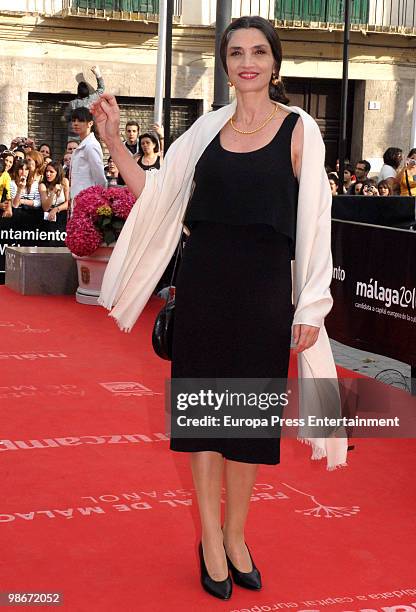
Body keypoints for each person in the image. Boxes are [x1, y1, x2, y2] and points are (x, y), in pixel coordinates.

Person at [91, 15, 347, 602]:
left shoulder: (300, 131)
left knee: (247, 427)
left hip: (263, 295)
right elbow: (156, 198)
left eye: (259, 51)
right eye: (236, 52)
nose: (247, 61)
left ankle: (237, 536)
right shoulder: (204, 132)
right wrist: (113, 140)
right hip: (204, 288)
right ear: (226, 64)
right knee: (206, 421)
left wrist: (310, 306)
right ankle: (209, 539)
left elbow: (316, 227)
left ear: (275, 64)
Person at [69, 107, 107, 203]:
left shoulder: (91, 146)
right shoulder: (82, 144)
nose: (76, 123)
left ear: (90, 123)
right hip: (77, 197)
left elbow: (99, 177)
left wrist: (99, 198)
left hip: (88, 200)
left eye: (81, 121)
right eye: (74, 121)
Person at [65, 66, 105, 141]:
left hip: (74, 135)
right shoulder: (93, 99)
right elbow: (101, 88)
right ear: (88, 91)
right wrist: (97, 74)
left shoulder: (72, 104)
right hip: (88, 133)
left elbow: (66, 117)